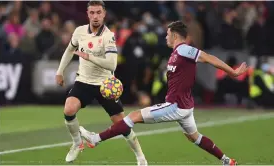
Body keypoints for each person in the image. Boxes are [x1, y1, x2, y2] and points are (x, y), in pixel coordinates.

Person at [78, 21, 248, 166]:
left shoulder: (183, 50)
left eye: (167, 34)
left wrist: (232, 72)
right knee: (194, 137)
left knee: (133, 116)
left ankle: (96, 139)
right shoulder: (176, 54)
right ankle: (227, 161)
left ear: (175, 36)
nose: (165, 37)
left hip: (176, 105)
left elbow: (209, 57)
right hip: (185, 106)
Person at [55, 1, 147, 165]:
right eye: (92, 13)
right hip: (83, 80)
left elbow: (112, 65)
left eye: (99, 12)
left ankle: (140, 156)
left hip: (105, 85)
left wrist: (89, 57)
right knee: (69, 109)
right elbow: (70, 49)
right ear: (88, 14)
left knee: (122, 124)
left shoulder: (108, 36)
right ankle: (77, 143)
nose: (95, 16)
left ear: (104, 14)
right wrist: (60, 71)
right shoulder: (79, 32)